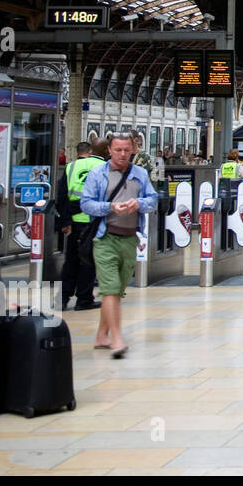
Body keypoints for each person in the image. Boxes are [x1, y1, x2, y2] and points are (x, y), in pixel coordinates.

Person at [79, 134, 158, 359]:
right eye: (118, 150)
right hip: (105, 239)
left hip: (130, 238)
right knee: (111, 288)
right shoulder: (97, 174)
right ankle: (117, 339)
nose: (122, 154)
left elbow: (152, 200)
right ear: (109, 151)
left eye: (126, 150)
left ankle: (101, 335)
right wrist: (110, 207)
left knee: (117, 290)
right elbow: (86, 203)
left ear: (132, 150)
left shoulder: (140, 174)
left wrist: (138, 203)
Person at [58, 141, 105, 311]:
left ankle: (62, 299)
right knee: (89, 261)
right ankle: (84, 299)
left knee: (71, 260)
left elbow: (62, 196)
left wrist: (65, 221)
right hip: (94, 222)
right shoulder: (104, 166)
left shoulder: (70, 167)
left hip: (74, 221)